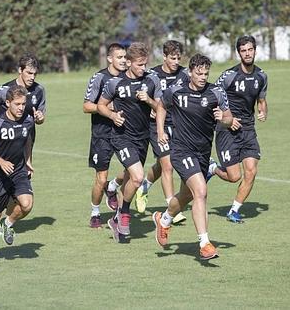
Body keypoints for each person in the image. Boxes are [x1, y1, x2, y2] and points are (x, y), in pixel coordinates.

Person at [152, 54, 233, 260]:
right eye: (199, 73)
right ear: (190, 72)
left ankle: (164, 219)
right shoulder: (177, 91)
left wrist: (222, 119)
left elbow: (229, 117)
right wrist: (161, 132)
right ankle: (204, 243)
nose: (203, 77)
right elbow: (161, 105)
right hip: (181, 150)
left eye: (206, 73)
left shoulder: (216, 92)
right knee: (201, 191)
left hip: (203, 152)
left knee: (187, 196)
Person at [97, 42, 161, 241]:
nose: (144, 68)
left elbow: (161, 107)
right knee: (137, 177)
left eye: (145, 64)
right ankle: (124, 213)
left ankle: (116, 219)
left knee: (130, 178)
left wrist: (149, 100)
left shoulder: (152, 80)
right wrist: (113, 116)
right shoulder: (116, 83)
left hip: (143, 138)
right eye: (140, 64)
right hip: (121, 137)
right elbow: (101, 105)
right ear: (130, 62)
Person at [210, 35, 268, 224]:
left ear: (255, 50)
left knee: (251, 171)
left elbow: (261, 101)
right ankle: (212, 168)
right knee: (234, 176)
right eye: (243, 50)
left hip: (248, 129)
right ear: (239, 53)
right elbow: (213, 97)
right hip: (227, 130)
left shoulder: (261, 76)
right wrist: (228, 119)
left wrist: (262, 111)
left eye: (250, 49)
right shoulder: (229, 75)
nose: (247, 53)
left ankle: (234, 210)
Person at [135, 40, 190, 223]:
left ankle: (144, 185)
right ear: (164, 57)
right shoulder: (152, 75)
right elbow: (146, 100)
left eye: (178, 58)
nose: (175, 61)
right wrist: (151, 103)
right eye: (172, 58)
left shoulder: (184, 74)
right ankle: (171, 208)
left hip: (179, 125)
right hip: (157, 125)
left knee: (162, 164)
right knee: (168, 165)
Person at [0, 85, 35, 262]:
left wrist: (27, 161)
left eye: (23, 104)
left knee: (27, 205)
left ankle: (8, 223)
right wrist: (1, 162)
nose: (21, 108)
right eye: (17, 104)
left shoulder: (27, 120)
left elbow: (26, 140)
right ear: (7, 103)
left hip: (18, 171)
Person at [82, 43, 127, 228]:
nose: (124, 61)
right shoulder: (99, 78)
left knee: (134, 171)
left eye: (125, 57)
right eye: (119, 57)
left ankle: (113, 186)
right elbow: (86, 106)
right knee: (100, 178)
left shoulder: (129, 77)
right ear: (110, 59)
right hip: (102, 134)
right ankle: (95, 212)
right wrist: (109, 109)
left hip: (125, 133)